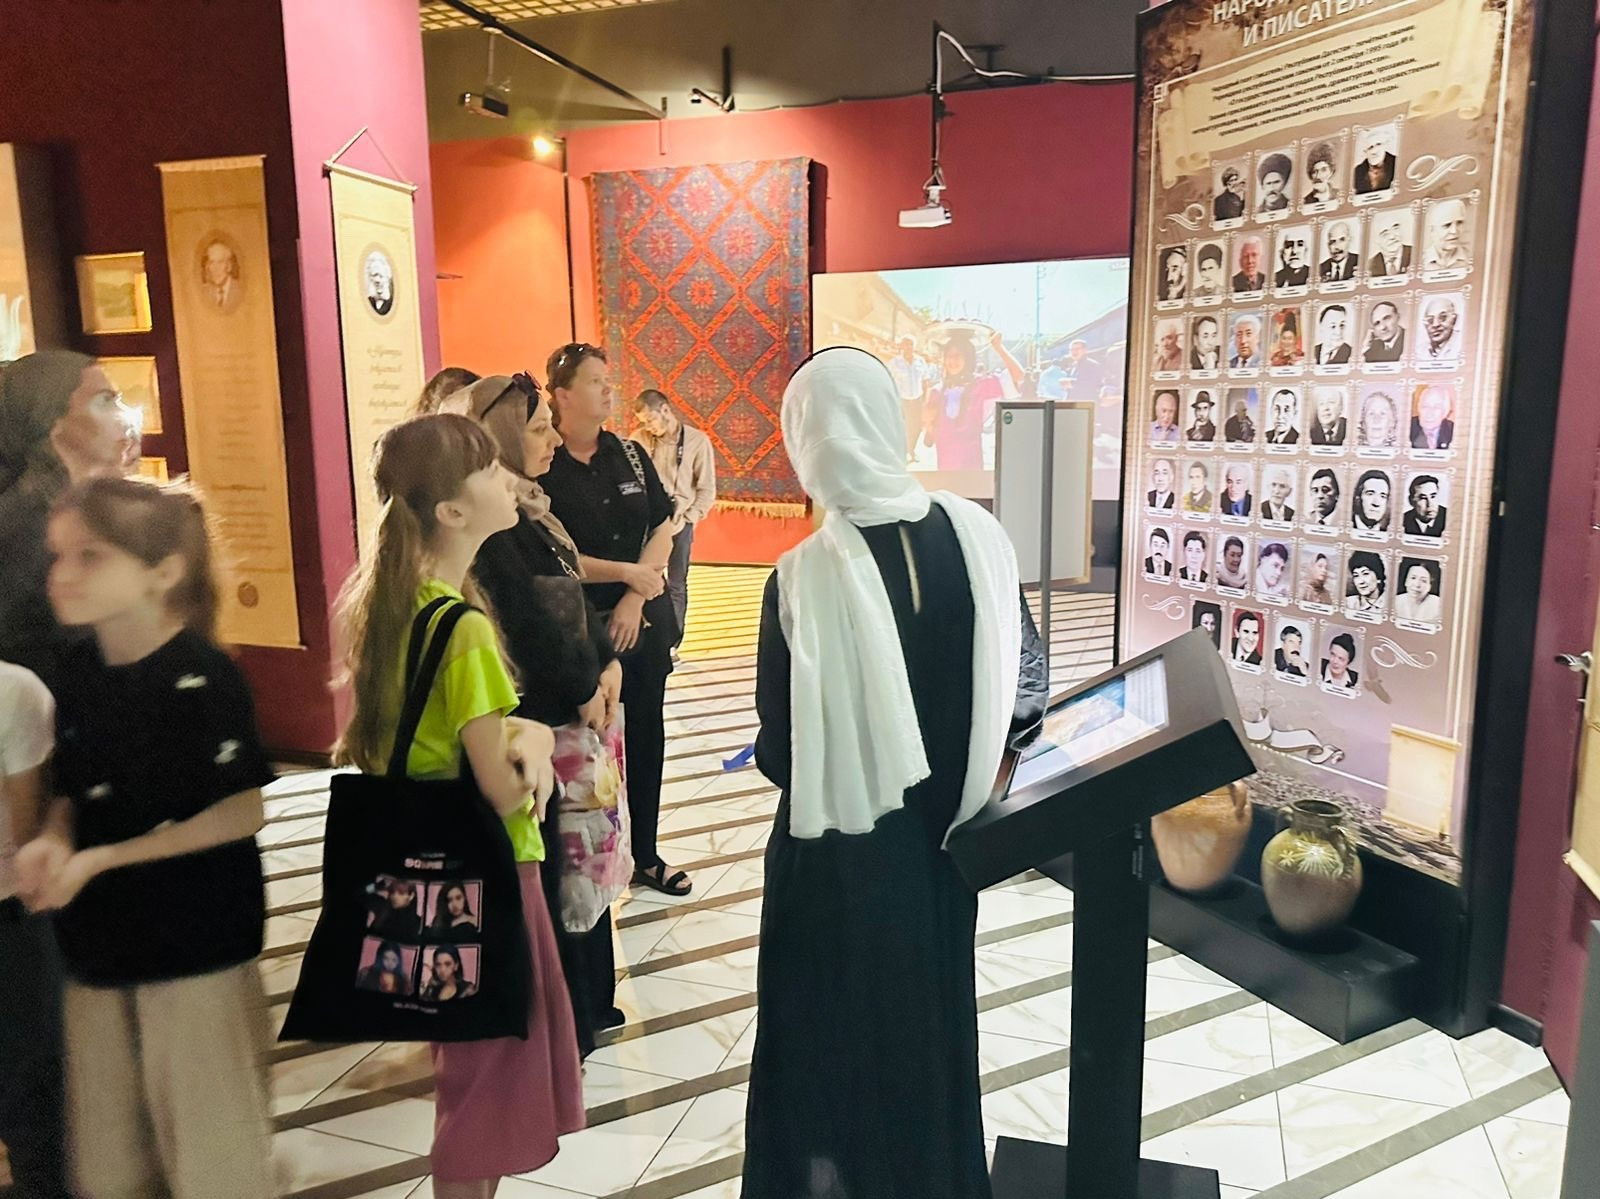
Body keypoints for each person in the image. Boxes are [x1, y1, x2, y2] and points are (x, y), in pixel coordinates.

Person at [741, 347, 1046, 1199]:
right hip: (945, 852)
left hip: (833, 868)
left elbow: (781, 753)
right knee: (928, 1036)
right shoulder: (979, 537)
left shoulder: (799, 579)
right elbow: (1026, 684)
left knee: (824, 1050)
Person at [331, 413, 582, 1195]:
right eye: (489, 470)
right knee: (487, 1087)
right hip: (490, 876)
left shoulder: (396, 604)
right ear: (451, 509)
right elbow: (500, 784)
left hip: (419, 869)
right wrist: (534, 738)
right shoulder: (464, 626)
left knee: (466, 1071)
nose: (508, 478)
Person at [15, 477, 275, 1199]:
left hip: (194, 948)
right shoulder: (75, 672)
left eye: (91, 556)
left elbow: (240, 811)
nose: (62, 575)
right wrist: (56, 840)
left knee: (210, 1155)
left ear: (163, 572)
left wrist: (105, 858)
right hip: (98, 946)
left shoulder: (204, 675)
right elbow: (71, 789)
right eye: (58, 555)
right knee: (110, 1162)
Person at [422, 371, 626, 1053]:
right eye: (537, 428)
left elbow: (570, 598)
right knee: (555, 891)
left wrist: (606, 664)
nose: (551, 440)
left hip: (564, 719)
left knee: (579, 879)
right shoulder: (487, 541)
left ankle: (586, 1011)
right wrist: (580, 686)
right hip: (536, 727)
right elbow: (529, 628)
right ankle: (568, 1025)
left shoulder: (531, 513)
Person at [541, 344, 689, 897]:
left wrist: (633, 596)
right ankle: (587, 864)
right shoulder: (541, 462)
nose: (610, 390)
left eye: (609, 380)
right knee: (583, 743)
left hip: (640, 620)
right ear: (562, 394)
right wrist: (628, 574)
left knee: (646, 733)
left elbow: (665, 526)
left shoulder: (629, 454)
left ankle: (645, 854)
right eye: (596, 382)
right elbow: (549, 552)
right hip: (576, 627)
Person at [0, 351, 141, 687]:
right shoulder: (32, 525)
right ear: (53, 421)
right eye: (104, 401)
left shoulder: (86, 507)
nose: (125, 417)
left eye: (119, 400)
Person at [0, 658, 66, 1199]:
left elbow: (30, 836)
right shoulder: (13, 689)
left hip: (12, 921)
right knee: (31, 1097)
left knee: (32, 1098)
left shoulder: (16, 691)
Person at [636, 388, 717, 652]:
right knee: (646, 580)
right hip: (648, 524)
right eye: (643, 422)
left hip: (680, 523)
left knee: (677, 583)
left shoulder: (697, 441)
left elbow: (707, 490)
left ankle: (673, 644)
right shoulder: (639, 439)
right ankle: (649, 639)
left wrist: (688, 518)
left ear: (665, 410)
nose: (648, 427)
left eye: (650, 420)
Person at [925, 330, 1024, 470]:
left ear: (968, 358)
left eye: (958, 355)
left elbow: (1019, 376)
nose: (952, 360)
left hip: (972, 469)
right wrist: (928, 424)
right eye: (948, 356)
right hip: (945, 470)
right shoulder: (937, 391)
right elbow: (930, 436)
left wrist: (999, 348)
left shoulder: (981, 385)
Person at [889, 336, 930, 458]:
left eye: (911, 344)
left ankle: (911, 450)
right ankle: (901, 451)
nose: (908, 346)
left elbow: (926, 381)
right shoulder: (895, 362)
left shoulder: (920, 361)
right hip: (902, 401)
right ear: (901, 346)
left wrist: (926, 400)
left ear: (914, 346)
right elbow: (887, 379)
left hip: (917, 400)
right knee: (902, 427)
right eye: (905, 344)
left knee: (917, 427)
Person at [1423, 198, 1471, 270]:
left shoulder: (1472, 259)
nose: (1454, 231)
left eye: (1459, 223)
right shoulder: (1419, 261)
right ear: (1432, 231)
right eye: (1447, 225)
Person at [1395, 559, 1444, 624]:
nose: (1417, 585)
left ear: (1430, 586)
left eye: (1424, 581)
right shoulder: (1395, 601)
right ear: (1406, 581)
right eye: (1413, 578)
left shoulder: (1439, 605)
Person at [200, 239, 242, 314]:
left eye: (220, 262)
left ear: (229, 266)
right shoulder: (204, 292)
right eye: (212, 262)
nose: (215, 268)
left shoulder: (240, 290)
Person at [1420, 296, 1465, 364]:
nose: (1435, 324)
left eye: (1443, 317)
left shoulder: (1463, 343)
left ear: (1454, 319)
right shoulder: (1420, 350)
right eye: (1430, 320)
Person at [1410, 386, 1456, 450]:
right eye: (1425, 406)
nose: (1429, 413)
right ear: (1419, 408)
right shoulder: (1406, 428)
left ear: (1445, 412)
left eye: (1437, 407)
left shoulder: (1454, 432)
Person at [1345, 550, 1388, 616]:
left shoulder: (1393, 603)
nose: (1361, 581)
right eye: (1356, 575)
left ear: (1378, 578)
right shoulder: (1348, 603)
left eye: (1365, 574)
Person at [1369, 212, 1413, 276]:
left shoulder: (1418, 254)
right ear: (1375, 240)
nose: (1392, 236)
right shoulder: (1369, 266)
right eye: (1385, 233)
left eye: (1395, 229)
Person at [365, 249, 395, 316]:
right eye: (374, 275)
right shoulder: (369, 302)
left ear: (387, 278)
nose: (377, 280)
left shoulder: (392, 303)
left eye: (381, 276)